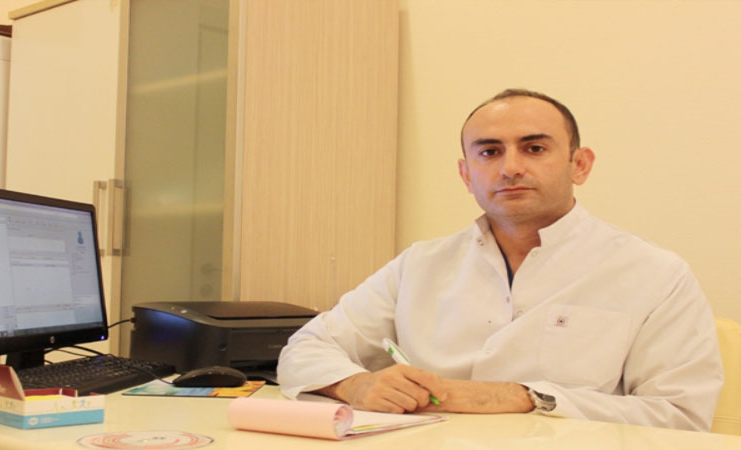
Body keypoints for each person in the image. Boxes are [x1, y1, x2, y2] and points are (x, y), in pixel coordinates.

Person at [276, 88, 724, 431]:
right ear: (466, 174)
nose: (510, 168)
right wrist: (355, 384)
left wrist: (526, 397)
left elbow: (681, 416)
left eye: (534, 148)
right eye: (489, 152)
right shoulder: (421, 264)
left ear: (580, 165)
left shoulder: (654, 273)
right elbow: (306, 348)